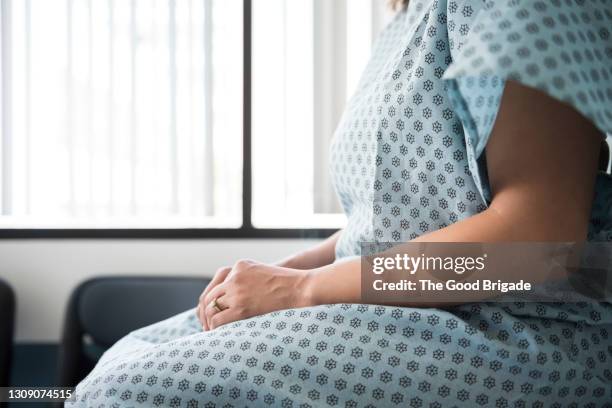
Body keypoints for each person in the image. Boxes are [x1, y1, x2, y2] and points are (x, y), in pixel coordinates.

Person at [69, 0, 612, 406]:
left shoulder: (531, 6)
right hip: (399, 301)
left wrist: (302, 290)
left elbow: (537, 244)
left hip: (518, 324)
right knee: (125, 357)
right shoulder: (407, 16)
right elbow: (388, 218)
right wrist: (285, 271)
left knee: (133, 391)